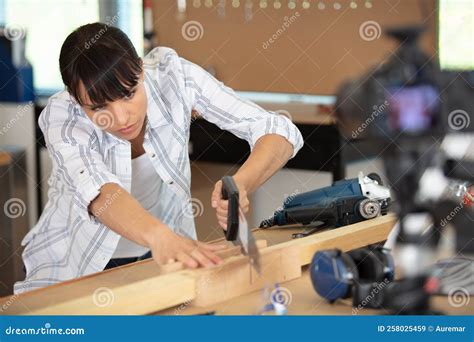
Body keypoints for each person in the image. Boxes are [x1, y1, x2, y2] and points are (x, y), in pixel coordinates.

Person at [14, 23, 303, 294]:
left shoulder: (173, 76)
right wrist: (159, 236)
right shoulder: (62, 115)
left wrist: (241, 184)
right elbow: (100, 194)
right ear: (76, 101)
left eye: (129, 94)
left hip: (159, 254)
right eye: (99, 107)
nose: (121, 118)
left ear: (140, 70)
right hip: (75, 263)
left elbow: (277, 130)